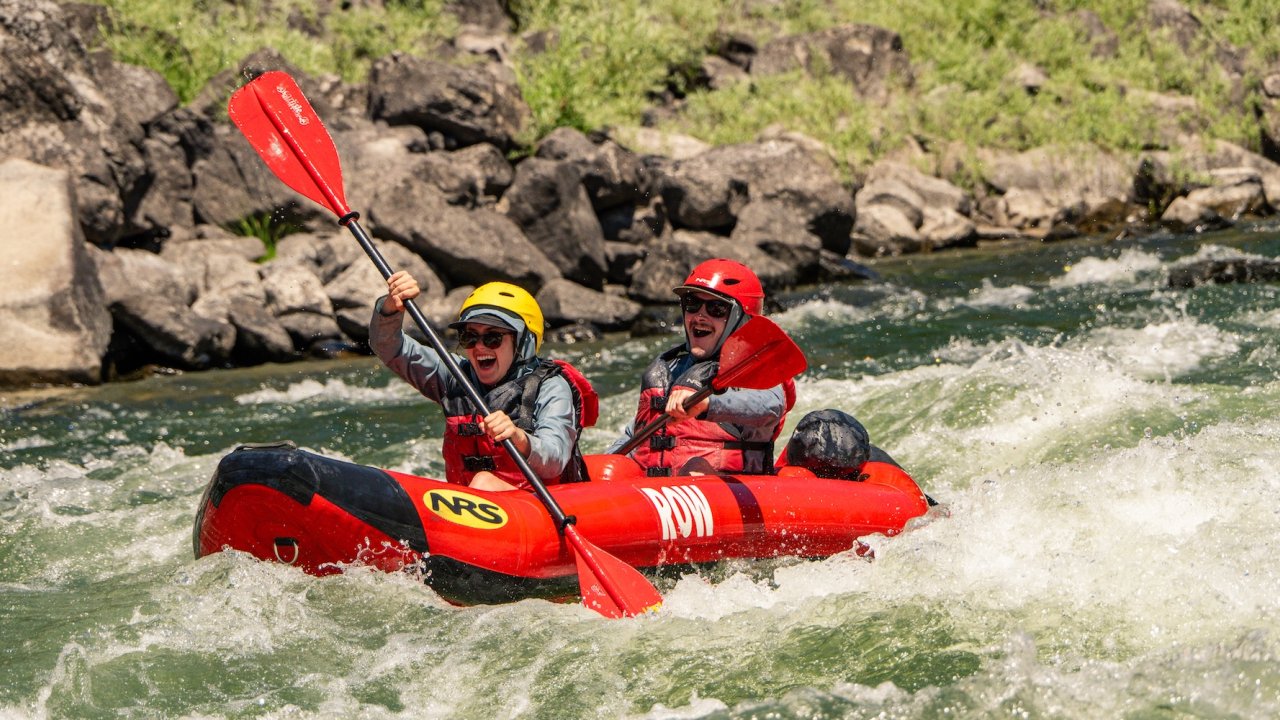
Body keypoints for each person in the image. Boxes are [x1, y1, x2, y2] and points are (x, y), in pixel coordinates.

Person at [370, 272, 591, 492]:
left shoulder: (550, 386)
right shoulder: (453, 377)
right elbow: (389, 348)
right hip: (470, 504)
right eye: (470, 337)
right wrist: (390, 308)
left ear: (524, 343)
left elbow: (556, 458)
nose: (479, 347)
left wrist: (519, 438)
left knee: (484, 482)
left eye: (492, 337)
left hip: (538, 507)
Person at [607, 259, 795, 475]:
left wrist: (708, 403)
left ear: (742, 320)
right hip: (658, 495)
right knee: (607, 469)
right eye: (692, 303)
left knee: (696, 469)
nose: (700, 316)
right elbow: (636, 434)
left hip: (725, 496)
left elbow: (771, 407)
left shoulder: (756, 372)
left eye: (716, 308)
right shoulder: (671, 368)